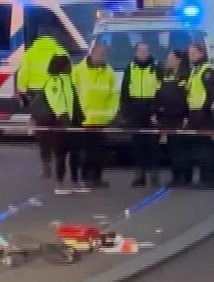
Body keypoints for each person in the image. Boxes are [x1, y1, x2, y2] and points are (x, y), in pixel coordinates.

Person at [17, 28, 70, 179]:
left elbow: (22, 75)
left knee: (43, 133)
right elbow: (68, 73)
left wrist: (23, 93)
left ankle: (46, 166)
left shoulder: (31, 53)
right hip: (56, 92)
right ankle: (60, 162)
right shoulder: (60, 50)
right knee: (58, 130)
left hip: (37, 95)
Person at [73, 40, 121, 189]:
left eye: (104, 53)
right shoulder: (78, 71)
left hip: (101, 120)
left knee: (100, 152)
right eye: (100, 53)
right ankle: (86, 176)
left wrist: (110, 114)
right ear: (92, 53)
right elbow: (72, 94)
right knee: (87, 152)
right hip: (84, 120)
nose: (102, 56)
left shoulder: (109, 72)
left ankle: (98, 177)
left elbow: (114, 96)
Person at [33, 53, 80, 190]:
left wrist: (78, 116)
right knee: (61, 154)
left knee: (75, 153)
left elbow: (73, 100)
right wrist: (63, 117)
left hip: (71, 123)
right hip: (58, 124)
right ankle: (60, 183)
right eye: (68, 64)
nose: (71, 67)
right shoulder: (53, 82)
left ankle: (74, 181)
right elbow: (56, 102)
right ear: (62, 66)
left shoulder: (69, 80)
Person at [119, 41, 163, 186]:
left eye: (146, 50)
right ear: (136, 52)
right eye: (141, 51)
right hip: (135, 109)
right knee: (138, 145)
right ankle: (140, 175)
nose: (143, 53)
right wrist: (125, 113)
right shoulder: (130, 68)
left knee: (153, 145)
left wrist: (156, 110)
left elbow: (160, 90)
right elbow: (124, 92)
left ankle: (154, 175)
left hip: (151, 109)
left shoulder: (157, 67)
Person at [184, 41, 214, 189]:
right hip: (195, 113)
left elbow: (210, 95)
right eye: (189, 53)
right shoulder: (196, 69)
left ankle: (208, 180)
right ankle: (204, 179)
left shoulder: (205, 70)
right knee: (199, 149)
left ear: (200, 53)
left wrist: (204, 112)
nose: (190, 56)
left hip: (203, 114)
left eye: (193, 53)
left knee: (206, 149)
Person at [152, 50, 193, 187]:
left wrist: (187, 115)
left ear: (178, 60)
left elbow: (188, 97)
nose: (168, 61)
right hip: (167, 117)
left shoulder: (185, 75)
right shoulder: (166, 75)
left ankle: (184, 177)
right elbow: (159, 94)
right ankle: (177, 177)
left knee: (181, 149)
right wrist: (155, 112)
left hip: (180, 118)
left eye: (171, 58)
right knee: (172, 148)